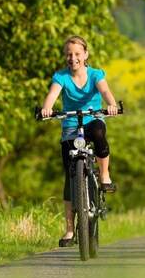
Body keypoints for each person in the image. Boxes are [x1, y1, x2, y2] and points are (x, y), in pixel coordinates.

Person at [41, 35, 119, 247]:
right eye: (68, 54)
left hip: (93, 120)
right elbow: (52, 95)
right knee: (70, 176)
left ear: (85, 54)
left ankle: (104, 175)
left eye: (77, 53)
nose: (72, 58)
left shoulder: (95, 74)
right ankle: (69, 230)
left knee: (99, 133)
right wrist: (46, 108)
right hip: (70, 126)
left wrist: (111, 104)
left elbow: (105, 91)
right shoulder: (61, 76)